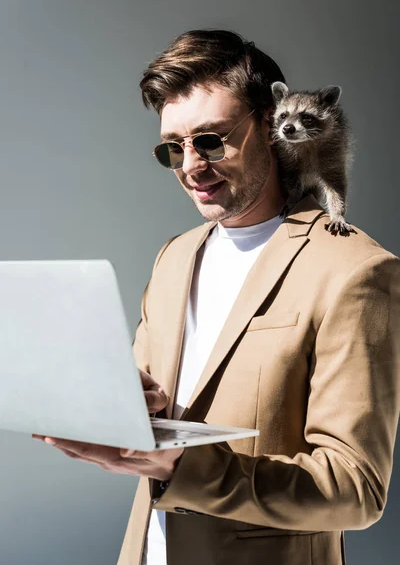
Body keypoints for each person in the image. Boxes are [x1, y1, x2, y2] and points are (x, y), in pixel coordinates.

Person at [34, 29, 400, 565]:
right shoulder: (174, 257)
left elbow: (355, 489)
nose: (190, 166)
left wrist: (184, 470)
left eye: (210, 140)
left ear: (271, 129)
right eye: (172, 148)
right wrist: (111, 404)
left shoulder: (355, 271)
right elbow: (150, 409)